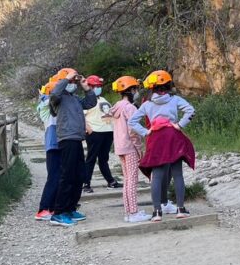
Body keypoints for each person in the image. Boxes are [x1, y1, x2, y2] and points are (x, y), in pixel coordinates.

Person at [128, 70, 195, 222]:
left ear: (152, 87)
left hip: (156, 138)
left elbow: (131, 122)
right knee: (177, 174)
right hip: (173, 137)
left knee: (157, 176)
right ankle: (180, 209)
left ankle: (157, 212)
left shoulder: (147, 104)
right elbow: (191, 110)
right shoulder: (175, 99)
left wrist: (146, 132)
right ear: (168, 84)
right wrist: (179, 125)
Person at [48, 69, 97, 227]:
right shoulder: (58, 98)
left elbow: (91, 103)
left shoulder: (74, 98)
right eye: (70, 82)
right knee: (67, 175)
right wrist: (65, 79)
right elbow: (54, 94)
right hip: (67, 139)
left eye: (74, 82)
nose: (72, 84)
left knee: (79, 175)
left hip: (76, 139)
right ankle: (58, 212)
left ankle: (70, 208)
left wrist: (86, 88)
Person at [110, 75, 150, 223]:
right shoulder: (130, 108)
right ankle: (134, 212)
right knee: (132, 181)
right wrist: (139, 148)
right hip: (130, 148)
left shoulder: (117, 107)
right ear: (130, 90)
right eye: (135, 89)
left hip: (120, 147)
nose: (137, 92)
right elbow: (133, 131)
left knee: (127, 181)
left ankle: (128, 212)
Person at [82, 75, 121, 193]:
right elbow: (80, 115)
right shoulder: (86, 101)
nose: (98, 88)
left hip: (107, 132)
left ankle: (111, 181)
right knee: (91, 158)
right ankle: (86, 183)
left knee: (104, 158)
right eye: (95, 86)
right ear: (89, 87)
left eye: (99, 86)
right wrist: (87, 128)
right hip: (95, 132)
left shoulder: (103, 99)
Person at [34, 80, 60, 221]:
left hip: (59, 144)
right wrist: (44, 94)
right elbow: (47, 101)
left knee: (58, 176)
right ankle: (43, 209)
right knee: (53, 177)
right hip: (52, 145)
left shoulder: (54, 105)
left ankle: (52, 207)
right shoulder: (44, 107)